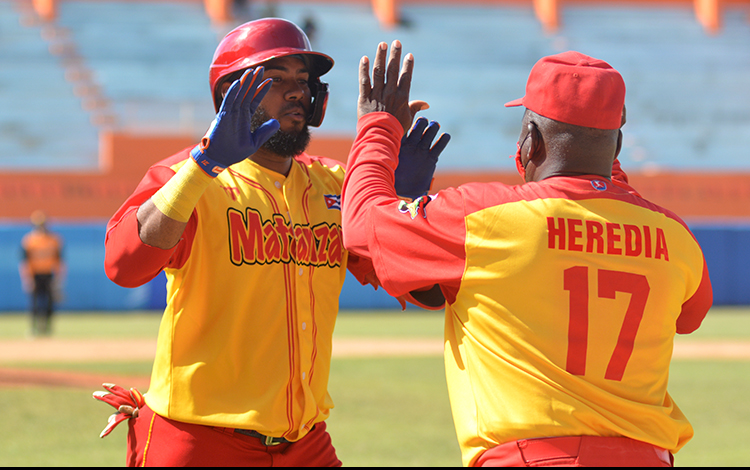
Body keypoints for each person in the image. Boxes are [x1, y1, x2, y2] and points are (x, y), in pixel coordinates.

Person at [341, 43, 713, 467]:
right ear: (618, 144)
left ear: (530, 140)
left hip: (530, 458)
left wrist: (377, 124)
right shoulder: (675, 235)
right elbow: (691, 315)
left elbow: (361, 224)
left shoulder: (484, 217)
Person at [96, 19, 438, 467]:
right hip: (199, 441)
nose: (297, 92)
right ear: (231, 95)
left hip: (306, 444)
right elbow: (124, 265)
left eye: (303, 82)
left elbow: (419, 288)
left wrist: (404, 209)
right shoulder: (187, 177)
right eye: (275, 80)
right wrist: (205, 165)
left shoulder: (336, 183)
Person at [19, 210, 65, 337]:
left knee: (50, 303)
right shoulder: (29, 240)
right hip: (35, 275)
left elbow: (60, 261)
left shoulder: (54, 240)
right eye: (38, 224)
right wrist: (27, 279)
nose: (41, 227)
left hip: (49, 275)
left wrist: (59, 279)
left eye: (43, 224)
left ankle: (48, 328)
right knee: (34, 304)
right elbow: (24, 262)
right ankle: (33, 328)